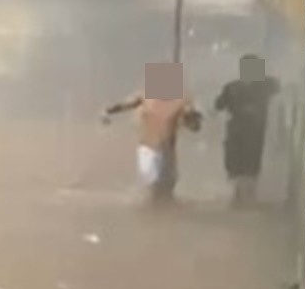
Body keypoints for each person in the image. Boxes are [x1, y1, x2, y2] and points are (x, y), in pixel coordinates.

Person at [103, 61, 202, 204]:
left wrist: (191, 117)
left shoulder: (182, 100)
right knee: (151, 190)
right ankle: (151, 218)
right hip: (148, 149)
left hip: (167, 151)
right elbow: (125, 104)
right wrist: (108, 111)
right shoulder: (145, 95)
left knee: (166, 190)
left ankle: (162, 220)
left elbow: (195, 127)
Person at [213, 54, 281, 207]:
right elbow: (218, 104)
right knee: (240, 161)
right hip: (242, 129)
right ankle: (240, 195)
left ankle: (245, 195)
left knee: (247, 161)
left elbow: (218, 105)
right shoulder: (235, 87)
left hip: (250, 130)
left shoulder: (263, 85)